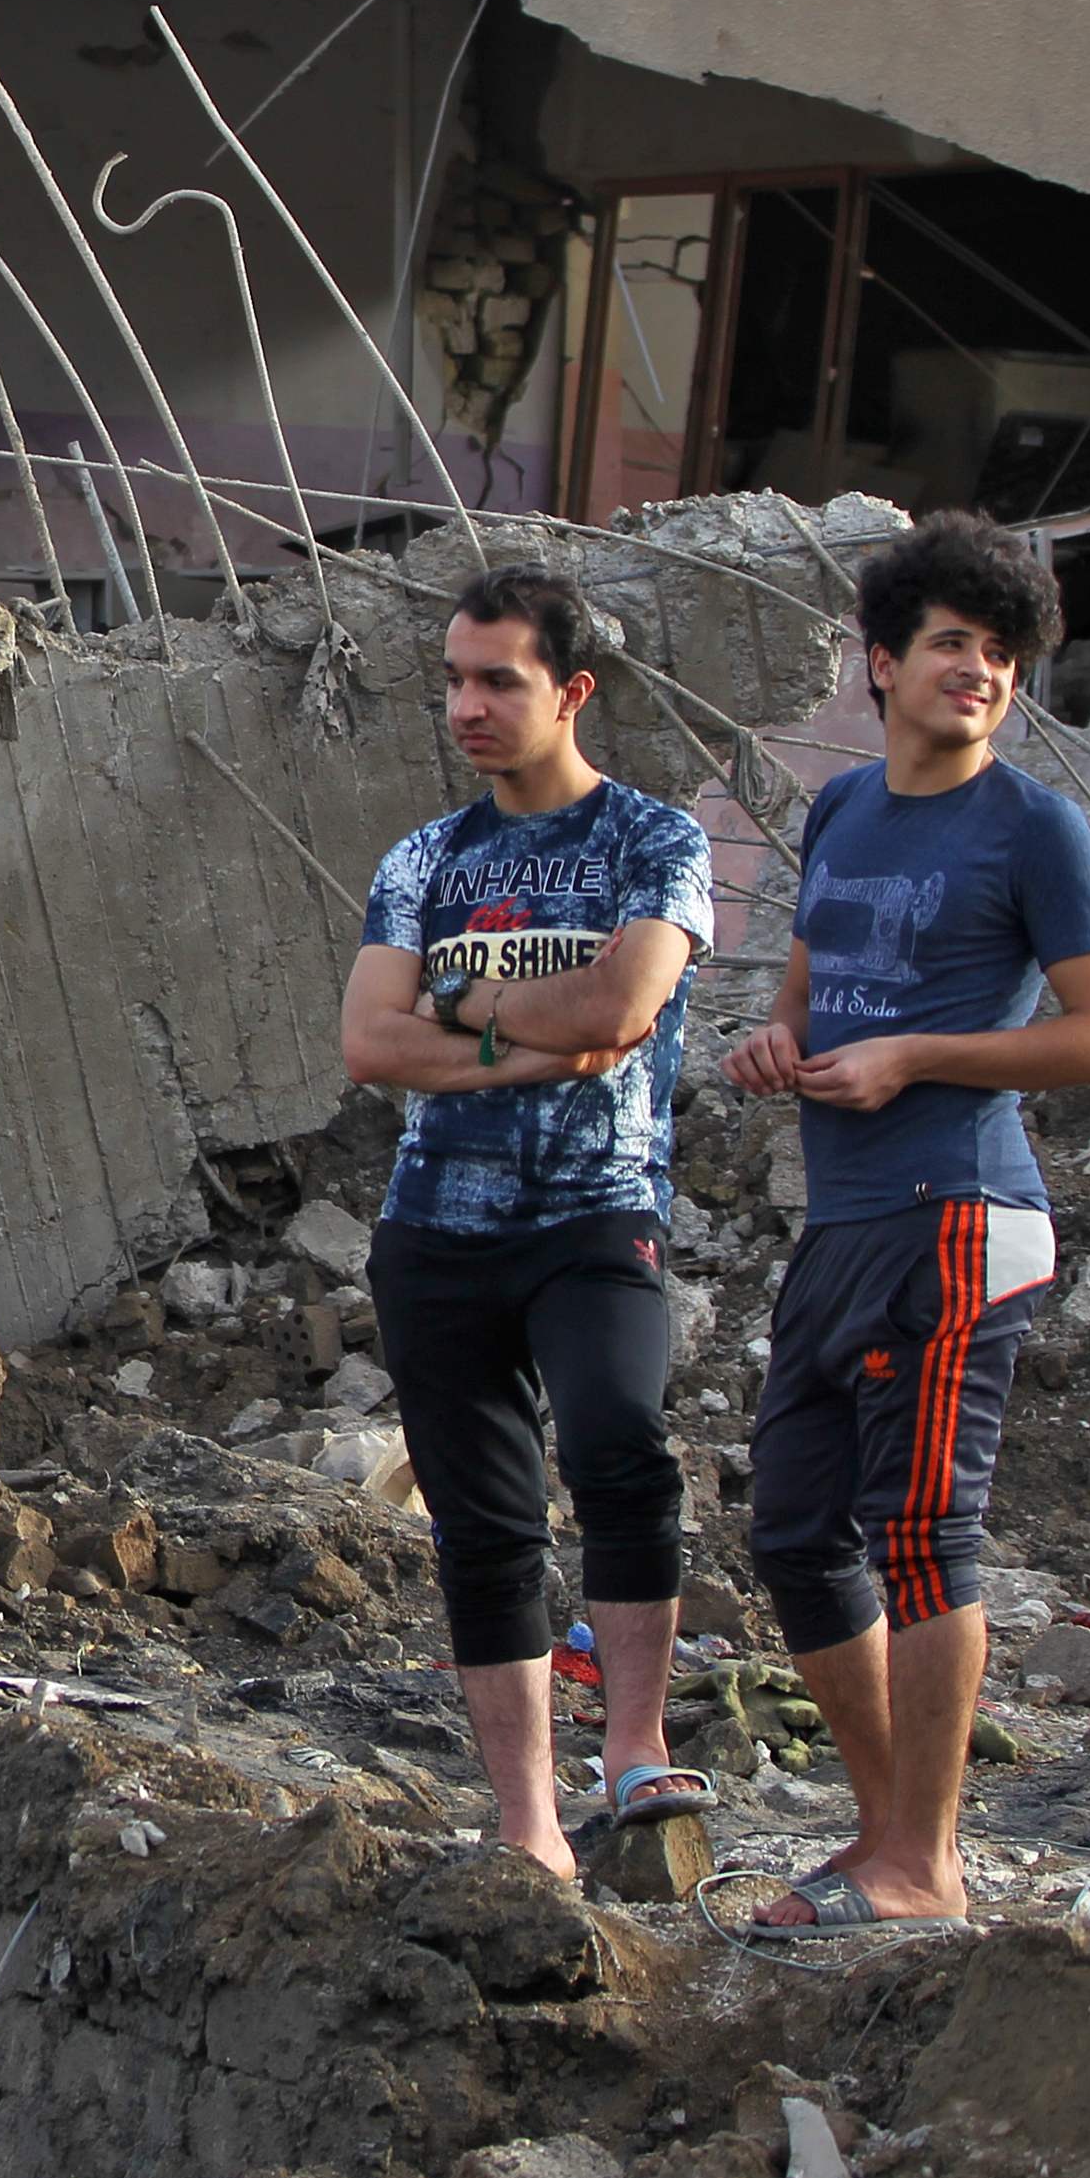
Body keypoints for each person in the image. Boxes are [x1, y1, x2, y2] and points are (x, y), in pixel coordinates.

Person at [721, 514, 1090, 1931]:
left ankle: (922, 1859)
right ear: (881, 661)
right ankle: (888, 1834)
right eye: (953, 643)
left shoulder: (1033, 825)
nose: (979, 670)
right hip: (844, 1220)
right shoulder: (839, 812)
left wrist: (918, 1056)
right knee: (790, 1528)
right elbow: (801, 989)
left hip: (962, 1207)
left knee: (921, 1534)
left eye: (1003, 654)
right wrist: (776, 1049)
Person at [337, 564, 717, 1879]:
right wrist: (526, 1041)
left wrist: (452, 1012)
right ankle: (530, 1828)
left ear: (573, 691)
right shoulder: (424, 860)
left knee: (621, 1441)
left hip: (595, 1214)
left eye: (500, 679)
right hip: (437, 1229)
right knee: (485, 1523)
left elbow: (626, 1011)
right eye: (455, 679)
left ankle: (635, 1746)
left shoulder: (652, 842)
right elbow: (366, 1045)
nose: (469, 705)